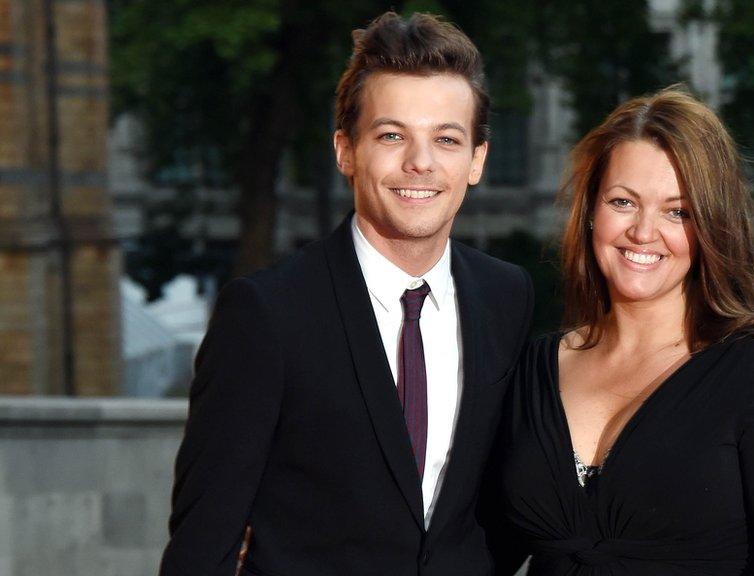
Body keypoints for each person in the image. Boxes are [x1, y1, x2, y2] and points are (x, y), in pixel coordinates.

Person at [160, 12, 533, 576]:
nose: (421, 163)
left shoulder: (506, 296)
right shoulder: (266, 314)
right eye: (392, 135)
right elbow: (201, 545)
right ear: (345, 151)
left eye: (447, 139)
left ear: (476, 160)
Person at [498, 86, 754, 576]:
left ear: (712, 226)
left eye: (677, 211)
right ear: (591, 214)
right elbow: (480, 547)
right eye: (623, 202)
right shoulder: (533, 370)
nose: (644, 232)